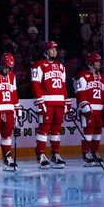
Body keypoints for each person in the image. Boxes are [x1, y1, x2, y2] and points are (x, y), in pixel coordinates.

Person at [31, 40, 68, 168]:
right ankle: (40, 153)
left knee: (57, 130)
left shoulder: (61, 66)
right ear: (46, 51)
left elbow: (63, 85)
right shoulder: (39, 65)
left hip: (59, 102)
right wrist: (39, 100)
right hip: (47, 102)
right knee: (44, 128)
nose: (54, 52)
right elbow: (35, 84)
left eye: (55, 49)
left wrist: (66, 100)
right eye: (51, 49)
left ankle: (55, 153)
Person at [74, 52, 104, 165]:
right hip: (88, 108)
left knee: (98, 132)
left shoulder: (103, 77)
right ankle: (86, 153)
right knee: (88, 131)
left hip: (100, 109)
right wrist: (84, 104)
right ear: (90, 63)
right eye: (96, 61)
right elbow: (80, 92)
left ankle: (95, 151)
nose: (99, 63)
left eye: (99, 61)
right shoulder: (82, 75)